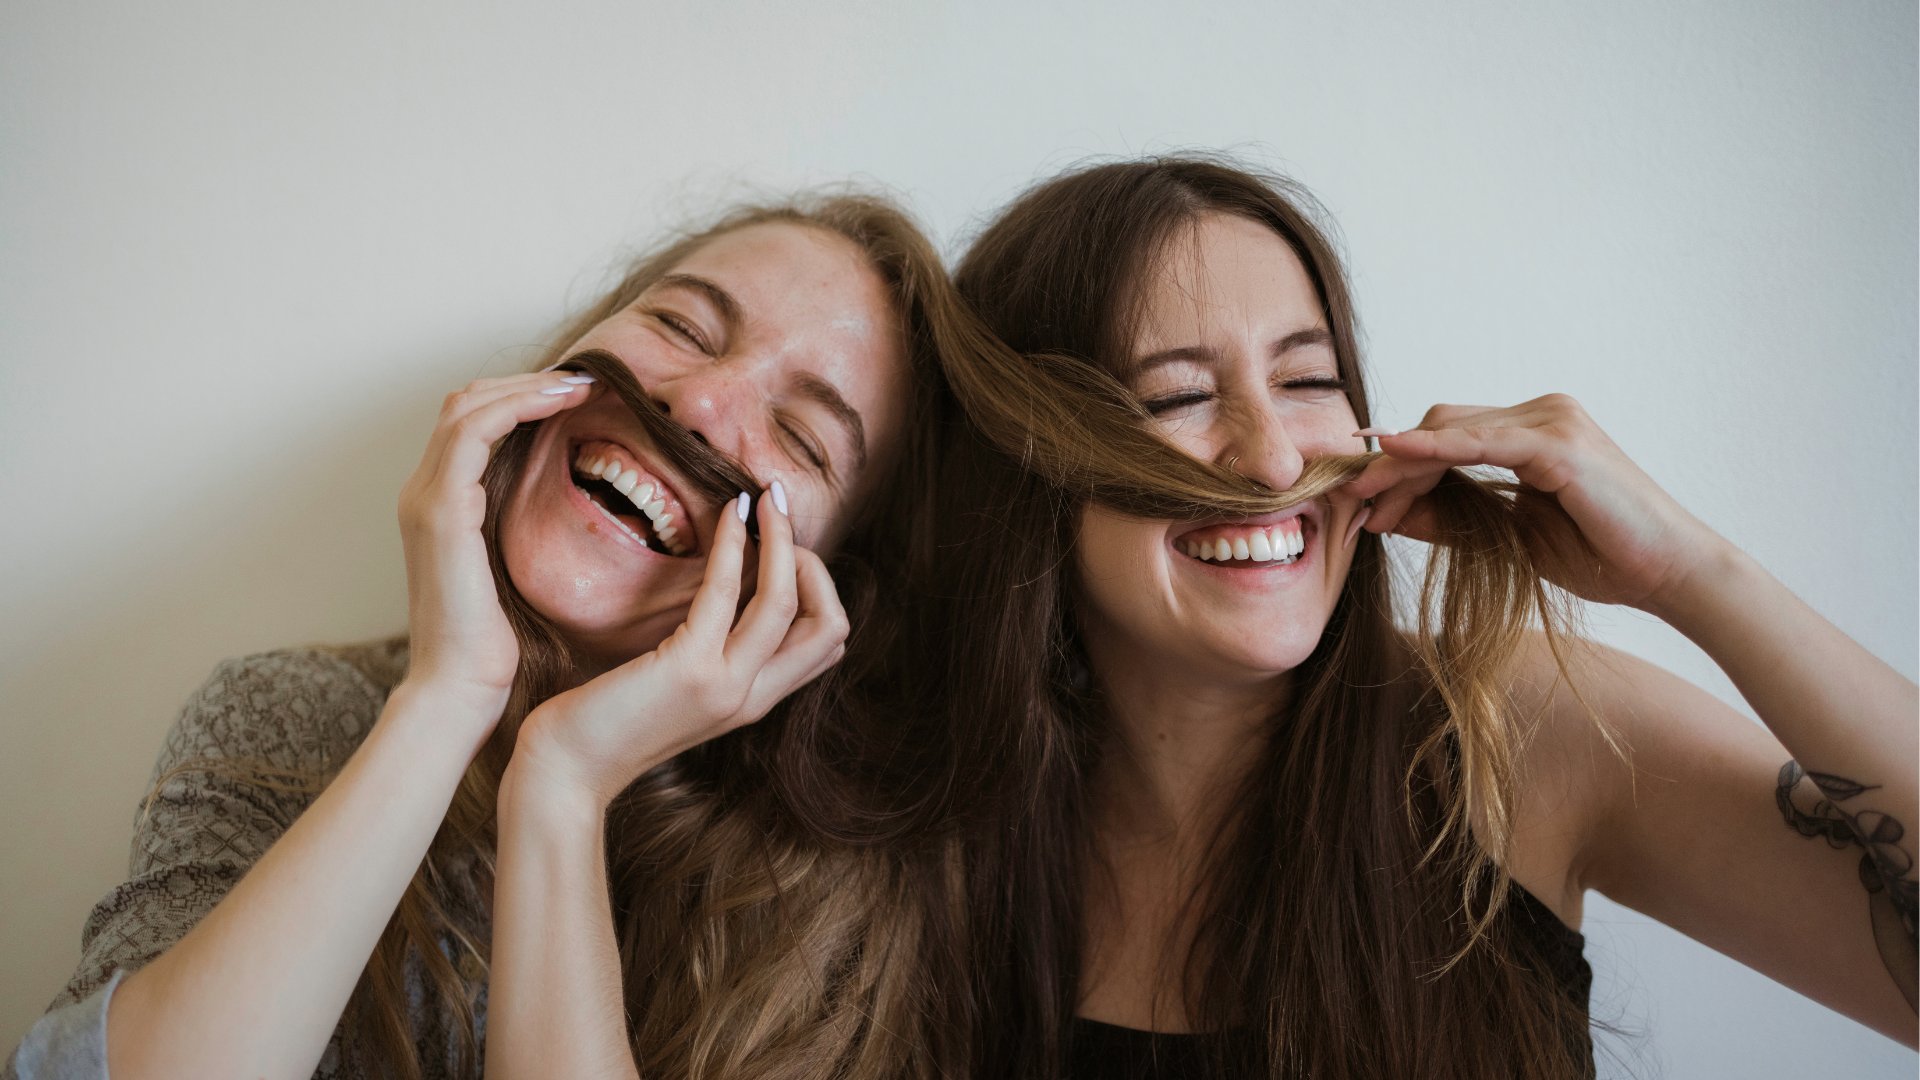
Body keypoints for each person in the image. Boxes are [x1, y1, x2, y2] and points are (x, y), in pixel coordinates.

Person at [923, 157, 1918, 1077]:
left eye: (1308, 379)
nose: (1273, 460)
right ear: (1026, 462)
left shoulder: (1519, 731)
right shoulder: (923, 847)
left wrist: (1694, 574)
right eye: (1177, 395)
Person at [4, 193, 984, 1080]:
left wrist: (562, 787)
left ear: (823, 603)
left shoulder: (828, 929)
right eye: (682, 325)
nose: (699, 404)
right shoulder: (298, 722)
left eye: (804, 437)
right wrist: (450, 698)